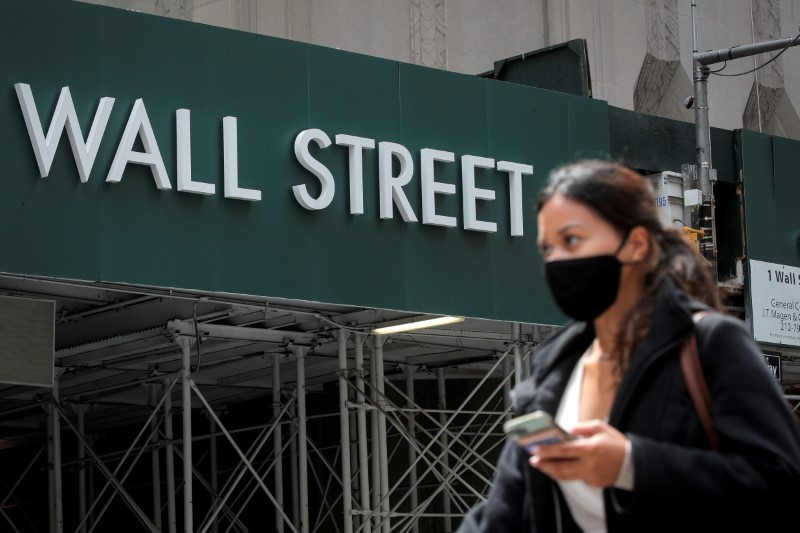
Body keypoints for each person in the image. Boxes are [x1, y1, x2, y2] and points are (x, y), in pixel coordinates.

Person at [456, 159, 800, 532]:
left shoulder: (709, 343)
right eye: (548, 248)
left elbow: (780, 484)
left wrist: (631, 465)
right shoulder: (552, 370)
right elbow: (504, 514)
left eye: (572, 240)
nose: (556, 261)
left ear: (635, 244)